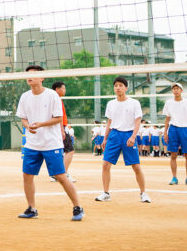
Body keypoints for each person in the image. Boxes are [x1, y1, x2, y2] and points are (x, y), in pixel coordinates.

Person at [16, 65, 83, 221]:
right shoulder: (25, 96)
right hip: (32, 143)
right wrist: (28, 126)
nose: (30, 77)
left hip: (51, 143)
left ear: (42, 77)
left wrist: (40, 124)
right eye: (28, 74)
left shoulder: (52, 95)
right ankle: (32, 209)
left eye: (34, 74)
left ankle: (77, 207)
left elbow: (58, 118)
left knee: (60, 175)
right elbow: (23, 118)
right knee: (27, 175)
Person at [95, 77, 151, 203]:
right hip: (114, 135)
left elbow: (137, 121)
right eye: (116, 85)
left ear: (126, 88)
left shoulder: (134, 103)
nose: (118, 88)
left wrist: (133, 136)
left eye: (120, 85)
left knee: (136, 166)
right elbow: (109, 122)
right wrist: (105, 138)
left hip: (128, 135)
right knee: (105, 164)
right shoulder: (111, 103)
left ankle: (143, 193)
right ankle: (106, 193)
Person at [163, 82, 187, 186]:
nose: (175, 90)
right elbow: (167, 118)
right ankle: (174, 177)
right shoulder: (168, 103)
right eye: (174, 89)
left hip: (185, 129)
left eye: (177, 88)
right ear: (172, 91)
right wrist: (165, 132)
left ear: (181, 90)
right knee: (173, 154)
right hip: (173, 129)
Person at [50, 81, 75, 182]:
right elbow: (58, 116)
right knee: (70, 150)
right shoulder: (56, 99)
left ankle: (58, 173)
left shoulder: (55, 99)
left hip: (59, 127)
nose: (65, 90)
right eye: (63, 88)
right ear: (57, 89)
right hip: (60, 127)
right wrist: (62, 130)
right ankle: (62, 173)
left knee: (59, 151)